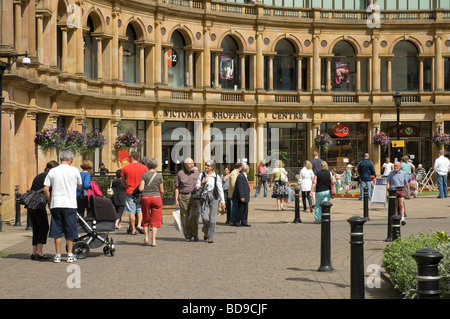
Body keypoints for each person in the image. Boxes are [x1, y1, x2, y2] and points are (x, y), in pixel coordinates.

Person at [43, 150, 82, 263]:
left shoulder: (53, 171)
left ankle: (57, 254)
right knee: (70, 229)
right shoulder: (74, 170)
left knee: (57, 229)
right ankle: (69, 254)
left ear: (60, 159)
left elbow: (45, 189)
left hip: (56, 203)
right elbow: (79, 185)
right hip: (70, 203)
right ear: (70, 159)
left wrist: (50, 201)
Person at [29, 160, 59, 261]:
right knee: (44, 227)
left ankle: (34, 252)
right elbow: (47, 191)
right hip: (39, 204)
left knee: (36, 228)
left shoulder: (39, 175)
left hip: (30, 205)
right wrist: (51, 203)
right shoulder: (49, 177)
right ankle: (39, 252)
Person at [196, 160, 226, 243]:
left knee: (213, 219)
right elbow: (196, 186)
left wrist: (223, 201)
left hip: (214, 197)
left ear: (212, 167)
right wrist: (202, 182)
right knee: (205, 217)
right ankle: (206, 231)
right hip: (203, 198)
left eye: (208, 165)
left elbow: (220, 189)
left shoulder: (216, 176)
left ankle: (211, 237)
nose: (206, 167)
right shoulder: (202, 175)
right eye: (205, 165)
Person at [121, 151, 147, 235]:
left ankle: (133, 229)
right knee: (140, 209)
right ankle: (139, 225)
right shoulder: (143, 168)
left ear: (131, 157)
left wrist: (127, 186)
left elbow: (123, 182)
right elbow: (146, 180)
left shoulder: (126, 168)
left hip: (130, 190)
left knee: (131, 211)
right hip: (140, 191)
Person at [139, 158, 164, 246]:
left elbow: (141, 188)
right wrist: (160, 198)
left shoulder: (144, 175)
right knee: (155, 220)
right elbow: (162, 190)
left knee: (145, 217)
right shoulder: (159, 176)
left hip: (146, 197)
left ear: (148, 166)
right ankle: (153, 240)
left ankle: (145, 237)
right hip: (156, 197)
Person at [175, 158, 200, 242]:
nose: (191, 165)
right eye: (189, 164)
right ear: (185, 165)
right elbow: (177, 187)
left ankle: (195, 234)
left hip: (194, 196)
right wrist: (176, 200)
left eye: (192, 163)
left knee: (194, 215)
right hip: (183, 196)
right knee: (185, 216)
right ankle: (188, 235)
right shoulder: (180, 173)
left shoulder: (197, 173)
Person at [232, 163, 251, 227]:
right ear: (246, 170)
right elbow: (240, 187)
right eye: (248, 169)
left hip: (246, 195)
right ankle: (237, 221)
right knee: (240, 209)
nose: (249, 170)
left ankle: (244, 221)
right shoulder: (241, 176)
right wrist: (242, 196)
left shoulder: (244, 176)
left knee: (245, 210)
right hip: (243, 196)